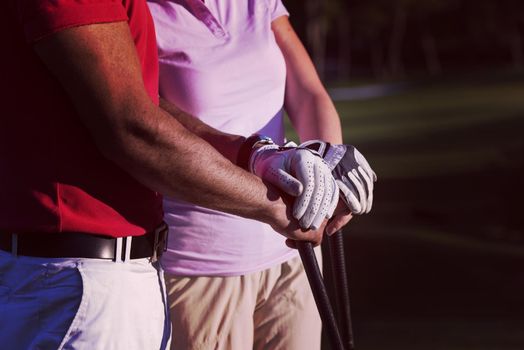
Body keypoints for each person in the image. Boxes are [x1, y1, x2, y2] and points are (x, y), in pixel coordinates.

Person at [0, 0, 342, 349]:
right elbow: (132, 127)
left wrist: (258, 155)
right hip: (83, 281)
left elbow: (143, 104)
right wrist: (278, 205)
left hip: (117, 275)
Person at [146, 1, 370, 349]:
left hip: (292, 254)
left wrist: (329, 166)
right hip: (202, 267)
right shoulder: (141, 11)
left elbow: (308, 93)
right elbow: (149, 121)